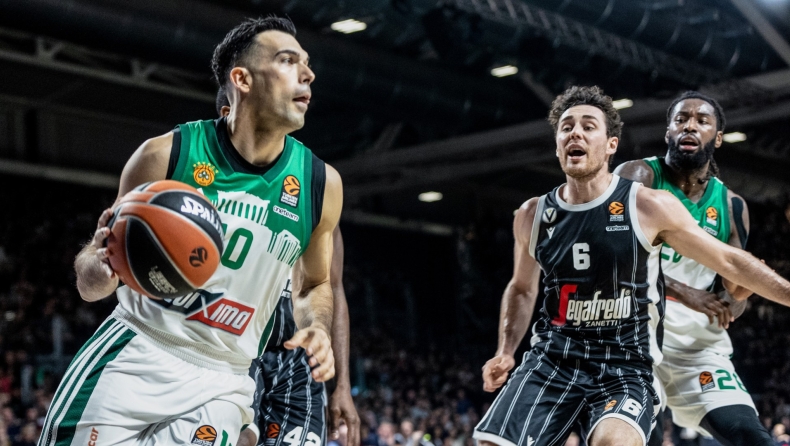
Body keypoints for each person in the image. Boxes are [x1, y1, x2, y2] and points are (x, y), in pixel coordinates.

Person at [39, 15, 342, 446]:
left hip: (225, 378)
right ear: (242, 79)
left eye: (307, 63)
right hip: (138, 352)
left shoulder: (321, 184)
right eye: (288, 60)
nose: (307, 73)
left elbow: (314, 284)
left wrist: (317, 327)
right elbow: (90, 282)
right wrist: (102, 270)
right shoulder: (165, 155)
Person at [471, 85, 790, 446]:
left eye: (588, 126)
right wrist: (505, 350)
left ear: (611, 144)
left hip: (636, 359)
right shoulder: (535, 213)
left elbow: (730, 266)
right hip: (556, 358)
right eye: (566, 127)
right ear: (557, 145)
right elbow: (522, 287)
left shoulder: (662, 205)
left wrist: (760, 293)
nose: (575, 133)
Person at [615, 91, 774, 446]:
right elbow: (614, 259)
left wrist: (737, 295)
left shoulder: (732, 206)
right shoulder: (638, 176)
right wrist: (687, 293)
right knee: (637, 438)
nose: (690, 126)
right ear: (668, 132)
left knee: (752, 436)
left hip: (696, 349)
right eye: (681, 119)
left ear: (717, 138)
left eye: (702, 121)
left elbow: (728, 302)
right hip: (634, 339)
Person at [216, 87, 360, 446]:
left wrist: (342, 385)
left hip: (299, 361)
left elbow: (334, 289)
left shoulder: (312, 191)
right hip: (236, 347)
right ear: (227, 115)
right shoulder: (211, 187)